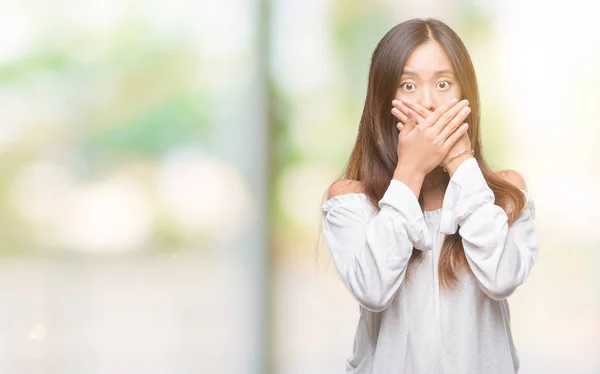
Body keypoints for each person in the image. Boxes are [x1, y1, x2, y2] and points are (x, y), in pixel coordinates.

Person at [320, 18, 540, 374]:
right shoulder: (351, 199)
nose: (427, 102)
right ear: (383, 98)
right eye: (408, 84)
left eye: (443, 83)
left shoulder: (505, 193)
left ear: (465, 95)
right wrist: (411, 171)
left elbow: (502, 280)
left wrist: (459, 161)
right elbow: (373, 291)